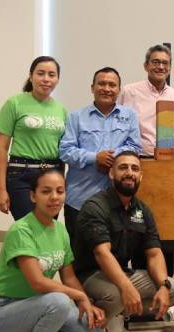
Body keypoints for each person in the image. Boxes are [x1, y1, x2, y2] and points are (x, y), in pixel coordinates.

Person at [0, 169, 119, 332]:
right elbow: (37, 282)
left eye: (60, 191)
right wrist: (80, 296)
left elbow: (69, 276)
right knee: (60, 302)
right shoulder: (22, 230)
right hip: (0, 310)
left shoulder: (61, 231)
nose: (54, 197)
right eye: (46, 191)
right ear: (33, 196)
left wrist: (89, 306)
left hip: (35, 305)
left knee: (91, 329)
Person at [73, 151, 174, 332]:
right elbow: (102, 253)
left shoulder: (142, 209)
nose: (129, 172)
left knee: (172, 288)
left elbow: (154, 253)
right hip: (89, 275)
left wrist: (163, 286)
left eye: (135, 168)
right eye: (123, 167)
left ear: (140, 176)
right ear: (111, 174)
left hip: (120, 272)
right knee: (115, 295)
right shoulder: (96, 206)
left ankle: (114, 316)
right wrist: (126, 287)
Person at [59, 67, 141, 242]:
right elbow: (65, 151)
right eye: (101, 83)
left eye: (112, 85)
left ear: (119, 89)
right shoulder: (76, 117)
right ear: (92, 87)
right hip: (79, 198)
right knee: (78, 254)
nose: (106, 88)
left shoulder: (130, 116)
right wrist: (95, 157)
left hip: (116, 199)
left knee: (115, 253)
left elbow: (134, 147)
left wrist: (113, 159)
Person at [0, 56, 67, 220]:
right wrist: (1, 189)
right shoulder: (15, 103)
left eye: (51, 75)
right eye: (41, 73)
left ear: (57, 79)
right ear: (31, 76)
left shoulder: (61, 109)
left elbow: (64, 149)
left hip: (53, 174)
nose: (46, 79)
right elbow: (1, 148)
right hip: (21, 175)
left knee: (47, 228)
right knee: (29, 228)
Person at [118, 44, 174, 158]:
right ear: (146, 66)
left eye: (165, 63)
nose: (161, 67)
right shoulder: (129, 92)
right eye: (155, 62)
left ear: (170, 68)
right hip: (136, 159)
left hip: (168, 160)